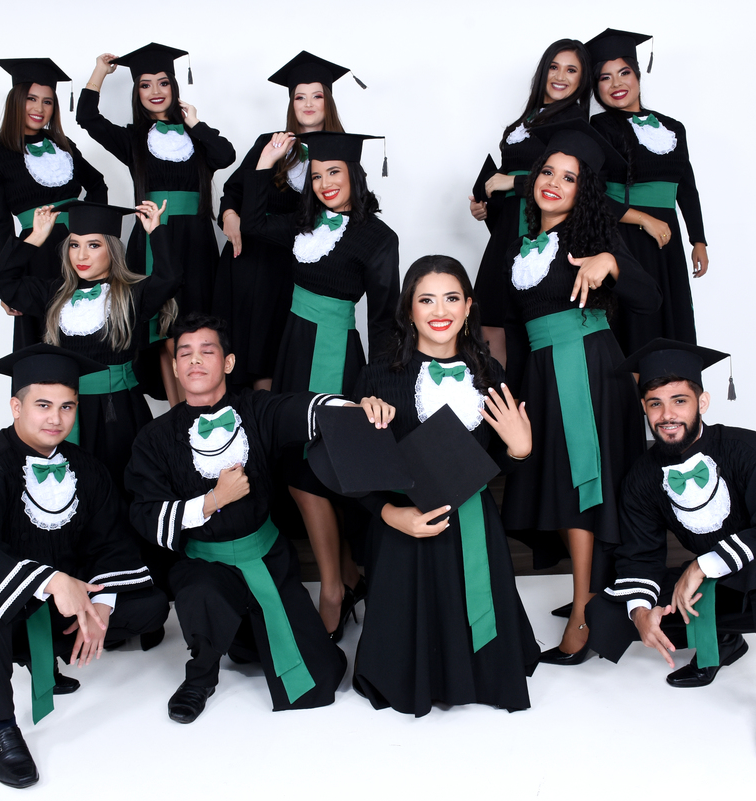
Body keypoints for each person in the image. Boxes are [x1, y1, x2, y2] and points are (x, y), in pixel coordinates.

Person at [124, 312, 394, 723]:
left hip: (269, 559)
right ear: (175, 368)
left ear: (228, 362)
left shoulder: (256, 408)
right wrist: (212, 500)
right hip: (206, 566)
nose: (195, 360)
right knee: (201, 592)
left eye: (207, 351)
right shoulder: (153, 438)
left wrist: (357, 407)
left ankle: (245, 639)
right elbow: (146, 514)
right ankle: (200, 676)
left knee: (320, 679)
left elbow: (304, 407)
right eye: (185, 353)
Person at [0, 344, 169, 788]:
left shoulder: (87, 468)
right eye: (42, 405)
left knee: (150, 605)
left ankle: (43, 657)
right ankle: (2, 728)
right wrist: (54, 580)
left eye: (67, 406)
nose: (56, 419)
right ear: (16, 407)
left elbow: (110, 541)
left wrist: (104, 603)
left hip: (50, 604)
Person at [585, 340, 756, 759]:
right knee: (605, 613)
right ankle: (722, 642)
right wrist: (641, 612)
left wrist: (701, 566)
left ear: (702, 402)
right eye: (655, 404)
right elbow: (640, 554)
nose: (667, 415)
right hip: (712, 594)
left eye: (679, 401)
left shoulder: (746, 448)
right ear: (644, 409)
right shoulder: (642, 476)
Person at [500, 118, 660, 663]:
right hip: (542, 373)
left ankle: (583, 615)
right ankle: (591, 597)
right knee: (566, 485)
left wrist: (611, 262)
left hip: (587, 369)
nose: (554, 183)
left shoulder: (592, 237)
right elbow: (515, 328)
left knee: (582, 488)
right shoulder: (519, 245)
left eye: (568, 178)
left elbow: (649, 297)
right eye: (548, 172)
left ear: (582, 190)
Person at [351, 256, 540, 716]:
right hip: (404, 528)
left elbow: (497, 466)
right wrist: (392, 515)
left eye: (452, 298)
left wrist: (519, 450)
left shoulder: (491, 374)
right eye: (426, 300)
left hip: (474, 524)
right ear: (408, 310)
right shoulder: (377, 376)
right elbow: (356, 468)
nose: (440, 311)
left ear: (469, 306)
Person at [240, 130, 400, 637]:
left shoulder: (378, 238)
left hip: (335, 356)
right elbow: (253, 222)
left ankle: (333, 589)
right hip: (292, 349)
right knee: (294, 469)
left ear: (354, 174)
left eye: (334, 172)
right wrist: (265, 162)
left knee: (315, 471)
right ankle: (347, 577)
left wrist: (376, 388)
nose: (326, 183)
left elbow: (385, 321)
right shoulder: (301, 223)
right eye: (316, 175)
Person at [78, 43, 236, 403]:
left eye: (163, 83)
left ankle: (203, 407)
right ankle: (180, 414)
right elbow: (87, 118)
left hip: (196, 242)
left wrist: (195, 123)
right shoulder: (132, 139)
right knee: (163, 332)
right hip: (153, 240)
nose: (155, 91)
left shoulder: (196, 137)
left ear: (174, 87)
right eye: (145, 85)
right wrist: (100, 71)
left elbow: (226, 155)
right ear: (137, 92)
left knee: (197, 329)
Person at [0, 199, 179, 495]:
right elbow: (1, 281)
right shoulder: (53, 294)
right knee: (74, 489)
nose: (81, 255)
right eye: (74, 245)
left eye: (93, 245)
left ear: (111, 249)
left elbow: (170, 278)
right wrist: (36, 236)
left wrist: (156, 230)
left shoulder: (132, 295)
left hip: (119, 412)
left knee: (122, 487)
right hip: (68, 412)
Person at [214, 51, 354, 391]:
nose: (308, 104)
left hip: (293, 264)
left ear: (328, 101)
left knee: (279, 355)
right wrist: (229, 215)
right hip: (248, 259)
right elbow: (233, 190)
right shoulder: (271, 143)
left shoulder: (342, 151)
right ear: (291, 103)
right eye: (299, 97)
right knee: (241, 353)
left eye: (316, 96)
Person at [468, 39, 593, 367]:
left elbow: (573, 184)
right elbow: (505, 176)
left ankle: (527, 393)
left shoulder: (575, 126)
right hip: (507, 230)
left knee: (522, 323)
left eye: (571, 70)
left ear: (583, 80)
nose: (560, 76)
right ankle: (497, 393)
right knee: (490, 322)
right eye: (554, 67)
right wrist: (486, 205)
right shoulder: (525, 119)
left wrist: (513, 182)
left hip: (542, 231)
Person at [586, 29, 709, 354]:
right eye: (605, 78)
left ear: (638, 75)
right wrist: (644, 219)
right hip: (624, 238)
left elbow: (686, 187)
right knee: (636, 325)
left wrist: (698, 240)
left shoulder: (673, 128)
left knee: (673, 315)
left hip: (668, 240)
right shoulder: (600, 129)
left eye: (624, 73)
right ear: (596, 86)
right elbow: (591, 195)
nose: (616, 84)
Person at [0, 58, 108, 350]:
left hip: (78, 250)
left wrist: (94, 231)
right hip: (35, 256)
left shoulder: (63, 144)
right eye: (31, 99)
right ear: (16, 101)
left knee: (89, 327)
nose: (39, 108)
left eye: (47, 102)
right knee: (45, 337)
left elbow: (97, 184)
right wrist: (6, 283)